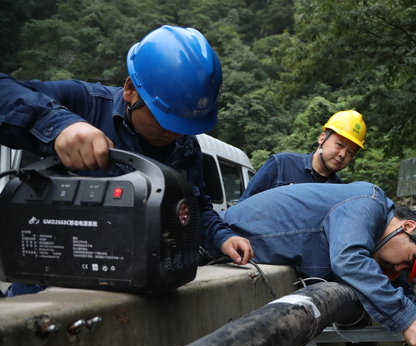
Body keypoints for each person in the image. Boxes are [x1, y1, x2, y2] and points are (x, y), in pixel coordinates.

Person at [0, 26, 253, 296]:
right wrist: (58, 125)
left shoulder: (186, 146)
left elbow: (193, 206)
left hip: (133, 290)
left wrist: (223, 237)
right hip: (50, 288)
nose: (174, 133)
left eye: (185, 125)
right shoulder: (85, 103)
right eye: (164, 119)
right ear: (131, 90)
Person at [222, 181, 416, 346]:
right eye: (408, 259)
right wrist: (407, 318)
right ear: (407, 226)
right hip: (217, 242)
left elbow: (398, 284)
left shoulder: (381, 241)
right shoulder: (368, 202)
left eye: (409, 269)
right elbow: (348, 260)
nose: (400, 269)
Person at [237, 110, 366, 202]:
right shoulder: (282, 164)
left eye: (350, 152)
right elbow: (245, 204)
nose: (342, 154)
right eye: (339, 145)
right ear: (322, 139)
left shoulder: (340, 192)